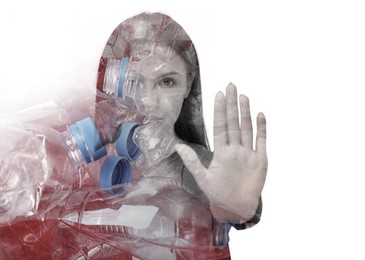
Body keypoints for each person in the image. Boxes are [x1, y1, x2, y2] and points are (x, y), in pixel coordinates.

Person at [0, 12, 267, 259]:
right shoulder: (86, 158)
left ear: (189, 84)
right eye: (134, 82)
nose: (147, 101)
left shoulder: (201, 169)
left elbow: (229, 204)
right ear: (112, 84)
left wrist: (238, 209)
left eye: (167, 81)